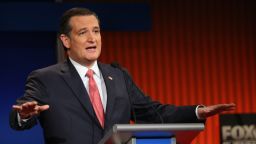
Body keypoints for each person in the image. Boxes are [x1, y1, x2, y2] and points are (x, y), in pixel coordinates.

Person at [9, 7, 235, 144]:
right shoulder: (46, 78)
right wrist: (25, 115)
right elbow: (18, 119)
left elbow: (153, 114)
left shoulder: (118, 76)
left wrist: (198, 111)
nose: (92, 39)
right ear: (66, 41)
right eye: (83, 32)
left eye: (96, 31)